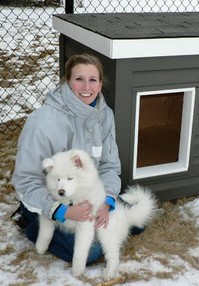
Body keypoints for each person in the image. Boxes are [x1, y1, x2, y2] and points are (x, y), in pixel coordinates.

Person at [12, 53, 122, 264]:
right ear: (67, 82)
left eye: (93, 80)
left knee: (133, 222)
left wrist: (106, 201)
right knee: (92, 252)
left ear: (100, 84)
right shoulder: (42, 121)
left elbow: (109, 165)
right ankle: (31, 221)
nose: (86, 87)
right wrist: (64, 211)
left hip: (86, 193)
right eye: (79, 79)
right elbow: (26, 180)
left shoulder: (105, 115)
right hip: (49, 198)